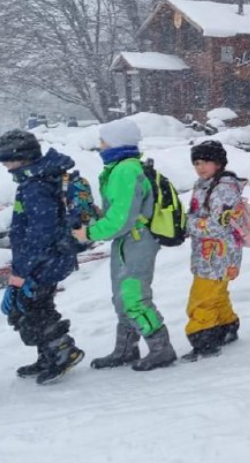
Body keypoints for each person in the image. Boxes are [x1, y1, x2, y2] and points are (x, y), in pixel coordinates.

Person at [73, 119, 177, 371]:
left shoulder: (125, 170)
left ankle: (161, 348)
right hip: (129, 241)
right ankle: (126, 349)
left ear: (116, 143)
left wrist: (89, 232)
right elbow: (120, 213)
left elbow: (122, 219)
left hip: (138, 241)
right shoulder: (121, 168)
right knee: (121, 297)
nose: (100, 147)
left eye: (104, 141)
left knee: (133, 296)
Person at [0, 130, 84, 385]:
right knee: (38, 305)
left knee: (34, 308)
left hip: (45, 261)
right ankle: (47, 354)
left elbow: (39, 234)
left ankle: (64, 352)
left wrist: (21, 273)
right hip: (47, 258)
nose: (4, 166)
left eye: (6, 160)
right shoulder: (37, 179)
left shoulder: (36, 185)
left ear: (21, 158)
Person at [184, 141, 247, 361]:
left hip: (219, 253)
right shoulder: (203, 184)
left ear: (218, 162)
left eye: (206, 162)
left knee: (201, 299)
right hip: (208, 253)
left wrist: (186, 225)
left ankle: (204, 340)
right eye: (196, 163)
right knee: (216, 294)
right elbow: (197, 214)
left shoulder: (223, 189)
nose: (200, 167)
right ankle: (226, 326)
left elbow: (217, 225)